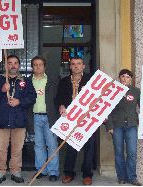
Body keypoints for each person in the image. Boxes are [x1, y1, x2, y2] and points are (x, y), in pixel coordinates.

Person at [0, 55, 37, 184]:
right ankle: (0, 172)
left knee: (17, 149)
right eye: (10, 63)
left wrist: (19, 101)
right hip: (3, 120)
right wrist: (2, 90)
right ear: (5, 66)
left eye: (16, 63)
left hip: (19, 120)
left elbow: (32, 97)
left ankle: (16, 171)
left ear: (19, 65)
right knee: (1, 149)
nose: (13, 65)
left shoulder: (25, 81)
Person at [55, 56, 95, 185]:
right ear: (70, 67)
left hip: (88, 119)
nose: (76, 66)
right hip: (71, 119)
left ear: (83, 66)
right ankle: (68, 173)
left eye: (79, 64)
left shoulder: (91, 80)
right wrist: (61, 105)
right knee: (71, 147)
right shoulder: (64, 81)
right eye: (73, 64)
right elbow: (58, 98)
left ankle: (87, 174)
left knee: (89, 148)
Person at [105, 69, 142, 186]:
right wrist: (109, 126)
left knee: (132, 152)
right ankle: (121, 177)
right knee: (119, 152)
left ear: (131, 79)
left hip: (131, 125)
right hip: (117, 126)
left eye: (128, 77)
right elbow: (106, 109)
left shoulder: (136, 91)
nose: (125, 79)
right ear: (119, 78)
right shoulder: (112, 91)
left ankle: (132, 177)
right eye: (123, 76)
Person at [28, 56, 59, 182]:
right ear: (32, 67)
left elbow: (58, 99)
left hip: (50, 117)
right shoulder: (28, 81)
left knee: (52, 145)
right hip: (35, 116)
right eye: (35, 65)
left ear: (44, 66)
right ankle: (41, 170)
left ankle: (53, 172)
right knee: (39, 145)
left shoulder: (53, 80)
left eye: (40, 64)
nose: (38, 67)